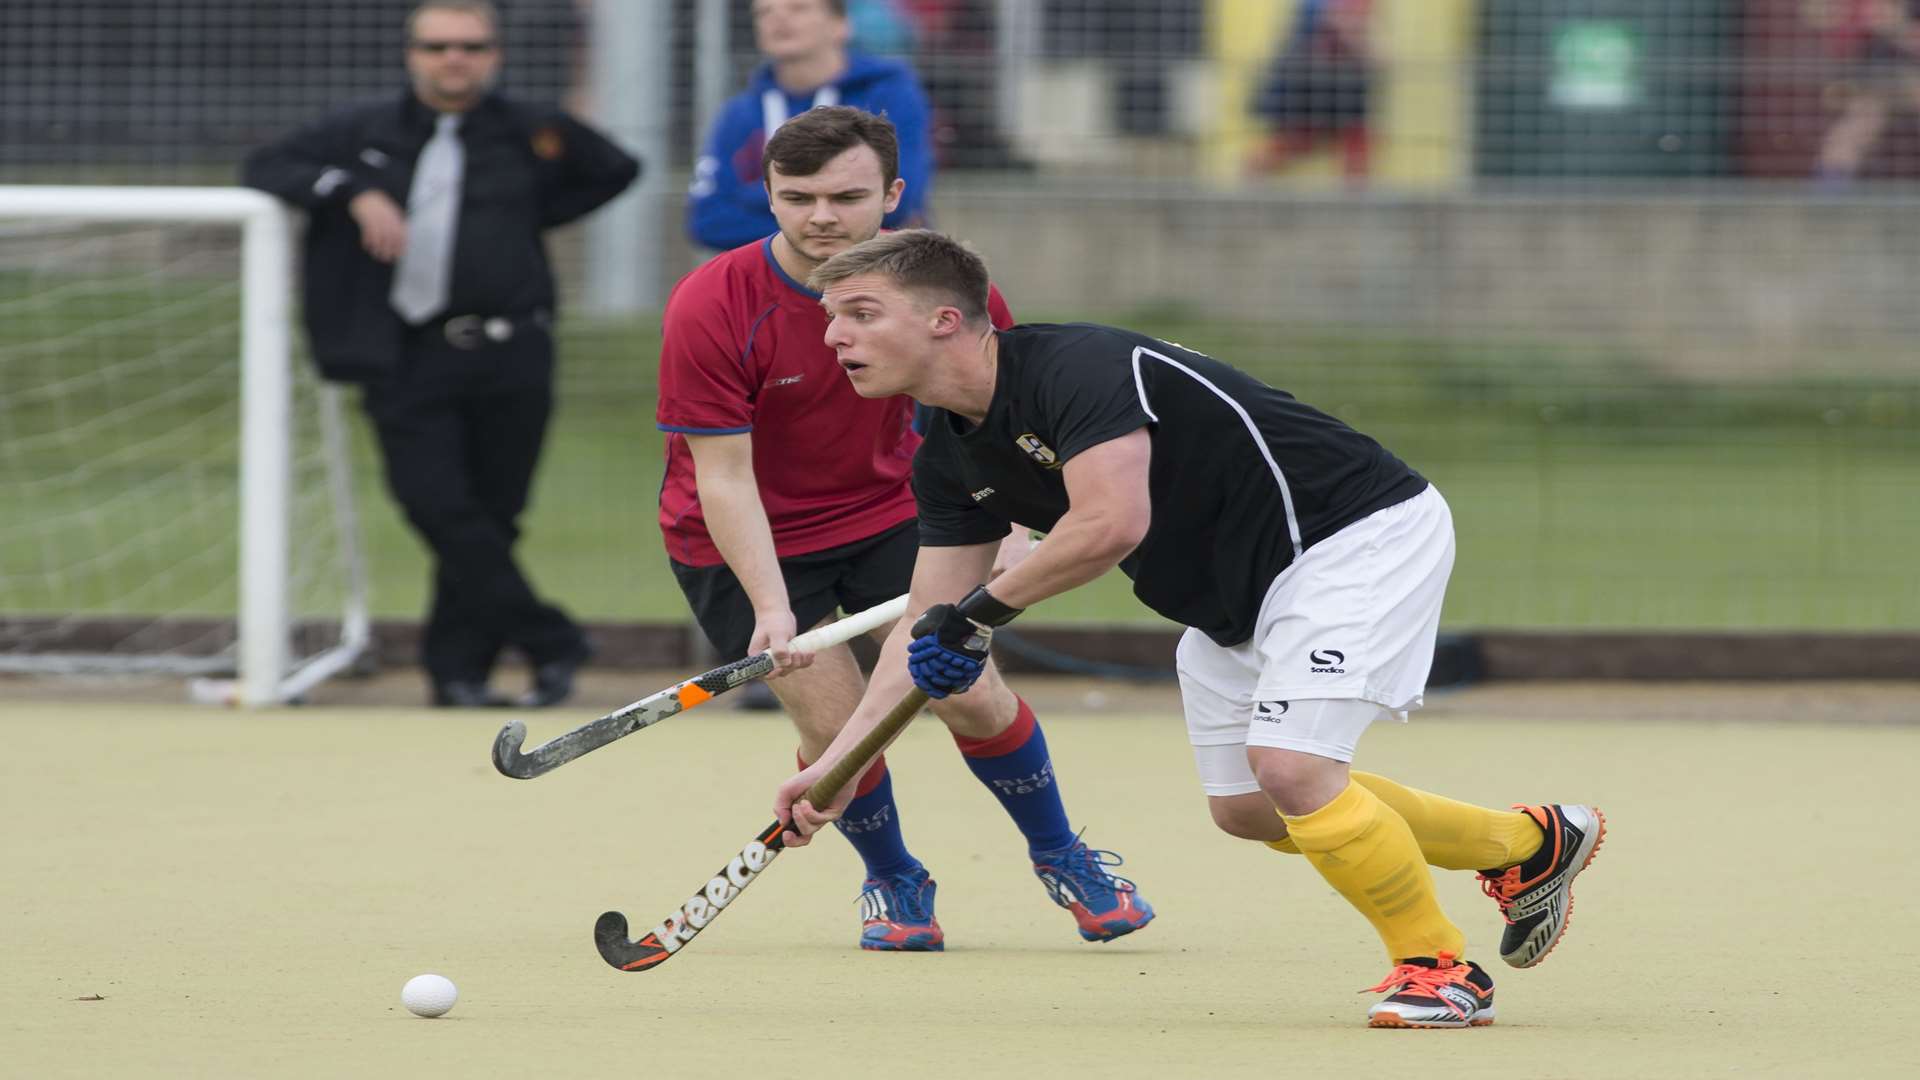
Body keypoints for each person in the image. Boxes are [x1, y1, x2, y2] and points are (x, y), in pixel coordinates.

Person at [775, 229, 1608, 1027]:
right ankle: (1527, 843)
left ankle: (1438, 967)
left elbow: (1110, 524)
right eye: (830, 320)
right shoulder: (947, 458)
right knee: (1249, 808)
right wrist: (841, 766)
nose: (835, 338)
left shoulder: (1078, 368)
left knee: (1290, 765)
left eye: (859, 313)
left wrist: (980, 617)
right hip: (1235, 599)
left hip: (1351, 536)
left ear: (943, 319)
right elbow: (928, 629)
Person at [657, 106, 1152, 952]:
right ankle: (893, 877)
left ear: (892, 192)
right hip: (745, 540)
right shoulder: (714, 303)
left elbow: (981, 430)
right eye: (796, 196)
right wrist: (772, 611)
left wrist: (1013, 530)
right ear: (767, 197)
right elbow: (724, 478)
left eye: (846, 196)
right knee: (836, 724)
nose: (821, 217)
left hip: (898, 515)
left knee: (964, 685)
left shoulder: (945, 292)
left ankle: (1062, 854)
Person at [242, 0, 638, 708]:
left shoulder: (530, 130)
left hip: (512, 350)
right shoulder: (362, 130)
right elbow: (267, 164)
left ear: (494, 55)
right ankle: (549, 639)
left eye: (470, 46)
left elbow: (616, 168)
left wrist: (529, 216)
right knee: (436, 506)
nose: (453, 59)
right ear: (411, 53)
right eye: (437, 46)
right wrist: (354, 191)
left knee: (495, 515)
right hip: (406, 352)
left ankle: (458, 673)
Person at [687, 0, 934, 251]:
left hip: (875, 273)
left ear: (842, 25)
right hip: (773, 277)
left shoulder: (889, 93)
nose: (778, 19)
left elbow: (897, 206)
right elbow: (708, 222)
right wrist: (843, 205)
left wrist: (752, 196)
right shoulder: (739, 113)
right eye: (764, 12)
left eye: (798, 8)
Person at [1247, 0, 1377, 182]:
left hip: (1333, 85)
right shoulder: (1323, 9)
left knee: (1354, 139)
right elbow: (1343, 26)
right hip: (1311, 84)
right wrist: (1370, 52)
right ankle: (1251, 178)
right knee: (1297, 139)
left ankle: (1356, 195)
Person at [1812, 0, 1920, 187]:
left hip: (1911, 73)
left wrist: (1898, 26)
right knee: (1858, 125)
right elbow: (1840, 42)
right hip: (1875, 78)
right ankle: (1828, 193)